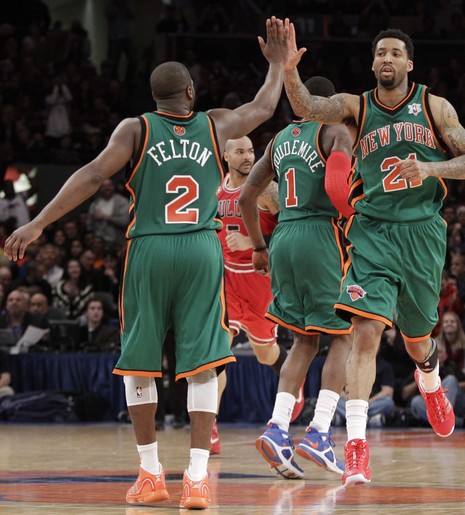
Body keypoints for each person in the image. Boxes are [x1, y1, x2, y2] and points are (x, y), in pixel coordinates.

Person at [3, 16, 290, 509]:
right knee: (203, 363)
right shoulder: (215, 125)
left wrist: (40, 222)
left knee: (140, 363)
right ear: (191, 92)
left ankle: (151, 474)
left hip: (150, 248)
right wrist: (278, 64)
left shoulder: (135, 128)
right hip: (202, 248)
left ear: (155, 98)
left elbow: (92, 176)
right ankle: (196, 479)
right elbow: (264, 106)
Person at [281, 26, 465, 486]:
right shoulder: (356, 107)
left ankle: (430, 382)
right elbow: (308, 107)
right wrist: (289, 72)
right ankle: (356, 445)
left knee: (417, 339)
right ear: (373, 63)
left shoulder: (435, 107)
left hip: (421, 235)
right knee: (366, 332)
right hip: (372, 232)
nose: (387, 58)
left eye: (395, 53)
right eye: (380, 53)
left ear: (409, 64)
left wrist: (428, 167)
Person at [239, 76, 353, 479]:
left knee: (303, 340)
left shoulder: (278, 141)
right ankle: (320, 431)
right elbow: (336, 185)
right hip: (319, 235)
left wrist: (259, 246)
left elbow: (246, 196)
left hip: (283, 238)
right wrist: (357, 217)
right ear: (330, 105)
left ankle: (277, 429)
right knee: (344, 336)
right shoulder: (336, 132)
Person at [212, 135, 302, 455]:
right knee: (216, 352)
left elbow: (294, 228)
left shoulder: (266, 189)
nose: (248, 156)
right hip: (227, 282)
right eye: (240, 151)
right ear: (226, 156)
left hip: (260, 280)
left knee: (265, 353)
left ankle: (294, 381)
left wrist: (253, 243)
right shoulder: (215, 189)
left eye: (251, 151)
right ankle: (210, 427)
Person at [407, 339, 465, 429]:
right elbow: (404, 394)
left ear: (445, 356)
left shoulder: (451, 366)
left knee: (450, 380)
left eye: (438, 352)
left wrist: (443, 389)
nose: (434, 355)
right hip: (432, 404)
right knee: (416, 402)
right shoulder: (422, 368)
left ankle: (444, 414)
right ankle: (453, 422)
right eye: (431, 352)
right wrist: (421, 380)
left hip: (454, 404)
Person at [87, 179, 129, 249]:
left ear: (113, 186)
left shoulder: (122, 202)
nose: (107, 188)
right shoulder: (94, 204)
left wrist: (105, 217)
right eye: (103, 186)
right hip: (99, 245)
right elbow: (89, 225)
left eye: (109, 185)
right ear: (99, 188)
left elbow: (125, 221)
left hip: (118, 243)